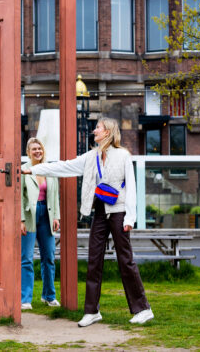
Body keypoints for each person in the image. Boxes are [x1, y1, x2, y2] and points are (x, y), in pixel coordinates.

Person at [21, 117, 154, 326]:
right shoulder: (91, 156)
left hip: (118, 212)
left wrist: (130, 217)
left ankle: (143, 309)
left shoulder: (123, 156)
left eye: (98, 128)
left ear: (108, 131)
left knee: (125, 260)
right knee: (94, 260)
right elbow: (65, 167)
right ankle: (92, 311)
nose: (94, 131)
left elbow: (131, 187)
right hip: (100, 211)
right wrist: (34, 170)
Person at [21, 137, 61, 310]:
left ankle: (49, 296)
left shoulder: (49, 170)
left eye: (40, 148)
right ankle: (25, 299)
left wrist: (56, 217)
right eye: (34, 149)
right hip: (30, 215)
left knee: (49, 257)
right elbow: (19, 197)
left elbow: (54, 195)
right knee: (27, 259)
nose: (37, 151)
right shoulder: (23, 170)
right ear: (28, 152)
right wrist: (21, 219)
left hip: (47, 214)